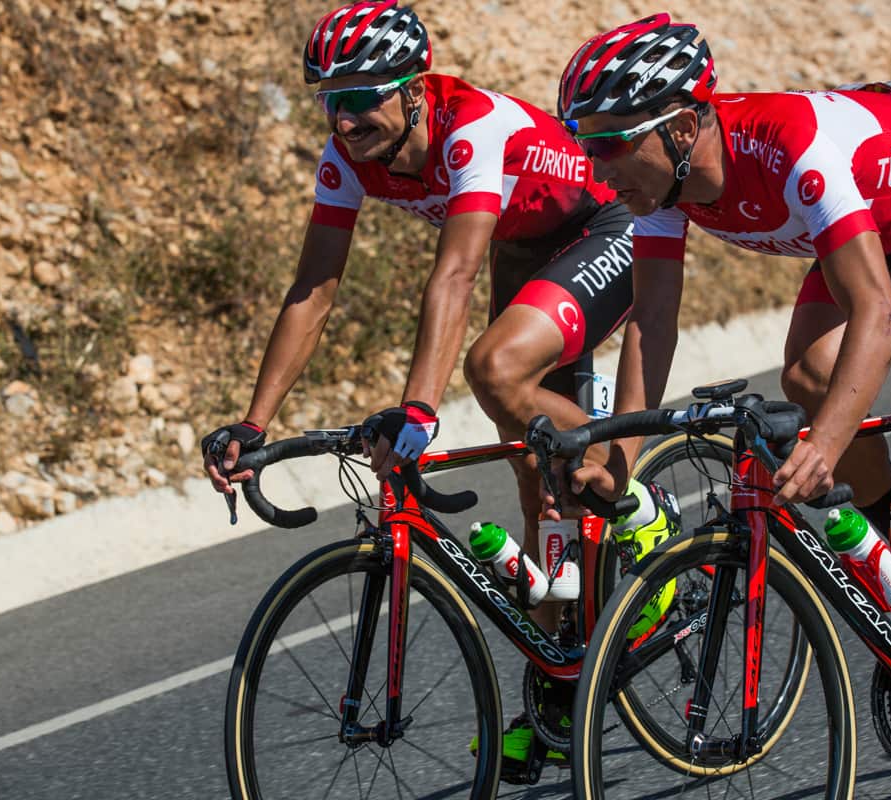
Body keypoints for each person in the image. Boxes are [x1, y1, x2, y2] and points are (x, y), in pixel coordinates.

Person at [553, 13, 891, 754]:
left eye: (610, 143)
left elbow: (877, 312)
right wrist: (619, 457)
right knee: (809, 376)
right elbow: (651, 324)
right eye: (583, 144)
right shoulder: (665, 190)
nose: (597, 167)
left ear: (683, 128)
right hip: (890, 226)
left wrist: (828, 447)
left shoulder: (790, 149)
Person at [198, 0, 666, 782]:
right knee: (535, 474)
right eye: (330, 101)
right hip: (527, 242)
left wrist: (419, 406)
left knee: (494, 370)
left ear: (414, 87)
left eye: (361, 98)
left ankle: (636, 507)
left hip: (605, 225)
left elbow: (452, 275)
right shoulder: (349, 153)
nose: (345, 121)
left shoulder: (471, 126)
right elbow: (315, 284)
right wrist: (254, 421)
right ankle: (556, 697)